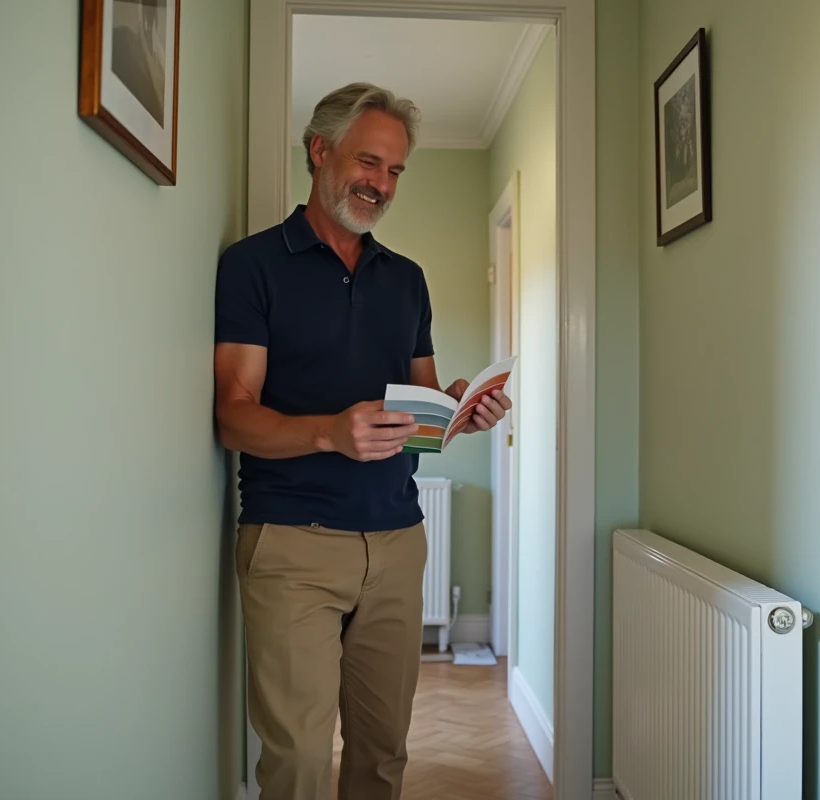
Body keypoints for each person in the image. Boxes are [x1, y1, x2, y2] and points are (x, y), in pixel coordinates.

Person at [212, 83, 511, 800]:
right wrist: (328, 433)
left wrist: (462, 411)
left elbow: (424, 410)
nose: (381, 183)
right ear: (320, 151)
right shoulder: (253, 266)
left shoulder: (406, 281)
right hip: (292, 543)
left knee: (382, 756)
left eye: (396, 171)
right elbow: (231, 413)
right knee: (299, 762)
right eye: (368, 162)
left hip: (398, 539)